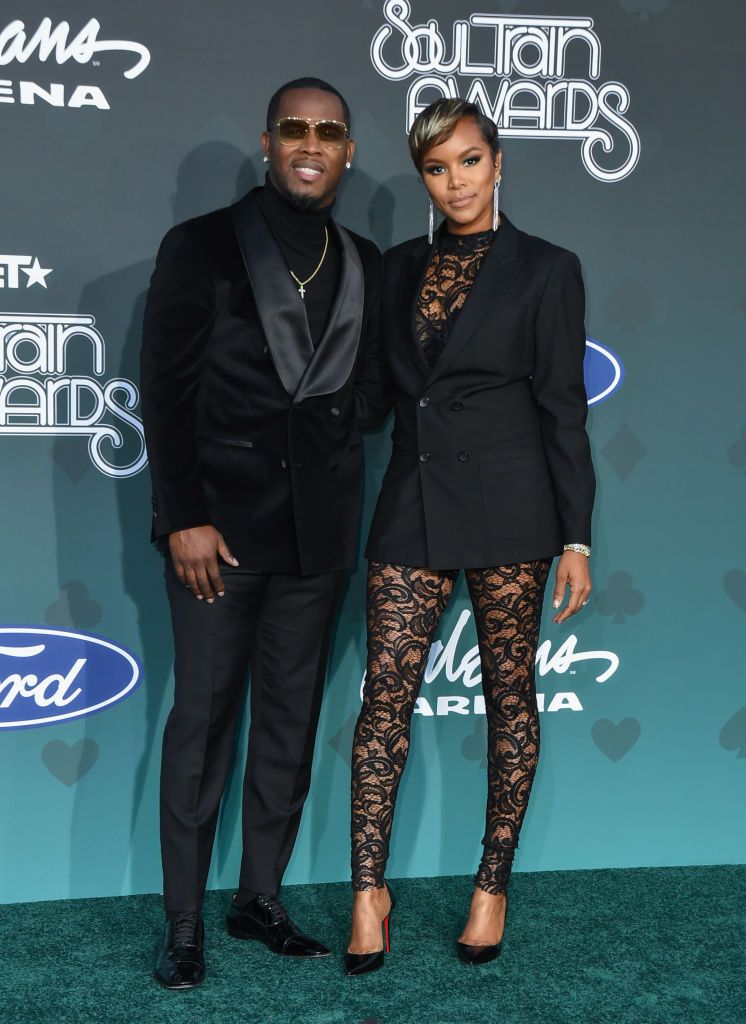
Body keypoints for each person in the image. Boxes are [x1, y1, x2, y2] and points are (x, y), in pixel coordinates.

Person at [140, 77, 387, 990]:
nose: (311, 144)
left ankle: (259, 899)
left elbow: (368, 392)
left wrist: (349, 415)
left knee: (288, 726)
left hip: (318, 539)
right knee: (201, 725)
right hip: (220, 535)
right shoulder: (201, 245)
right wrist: (184, 515)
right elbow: (161, 394)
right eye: (295, 128)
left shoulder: (359, 257)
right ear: (268, 141)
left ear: (349, 151)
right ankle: (184, 921)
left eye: (329, 131)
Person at [345, 98, 596, 975]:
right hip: (412, 498)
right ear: (423, 176)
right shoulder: (397, 268)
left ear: (499, 163)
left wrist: (577, 539)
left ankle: (492, 884)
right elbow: (374, 391)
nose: (456, 180)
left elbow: (565, 410)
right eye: (437, 167)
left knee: (509, 696)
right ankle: (367, 891)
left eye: (470, 161)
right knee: (385, 699)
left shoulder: (547, 268)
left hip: (513, 508)